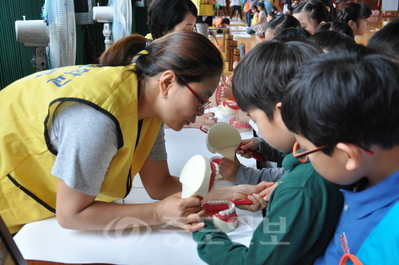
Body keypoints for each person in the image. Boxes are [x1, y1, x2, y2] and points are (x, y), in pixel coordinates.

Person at [0, 31, 267, 234]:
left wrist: (229, 194)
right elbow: (72, 215)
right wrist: (158, 214)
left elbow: (158, 185)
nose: (200, 110)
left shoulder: (144, 105)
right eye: (201, 98)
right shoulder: (99, 119)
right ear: (167, 82)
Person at [192, 40, 344, 264]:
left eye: (255, 119)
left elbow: (253, 262)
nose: (257, 129)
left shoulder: (299, 190)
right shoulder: (328, 161)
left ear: (285, 112)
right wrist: (278, 201)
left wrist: (202, 230)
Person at [281, 45, 399, 265]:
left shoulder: (390, 239)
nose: (303, 156)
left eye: (306, 149)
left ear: (348, 156)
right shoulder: (370, 174)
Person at [147, 0, 218, 128]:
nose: (192, 36)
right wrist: (187, 119)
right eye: (187, 29)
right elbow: (147, 112)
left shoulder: (172, 53)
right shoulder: (146, 60)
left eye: (193, 29)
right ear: (164, 28)